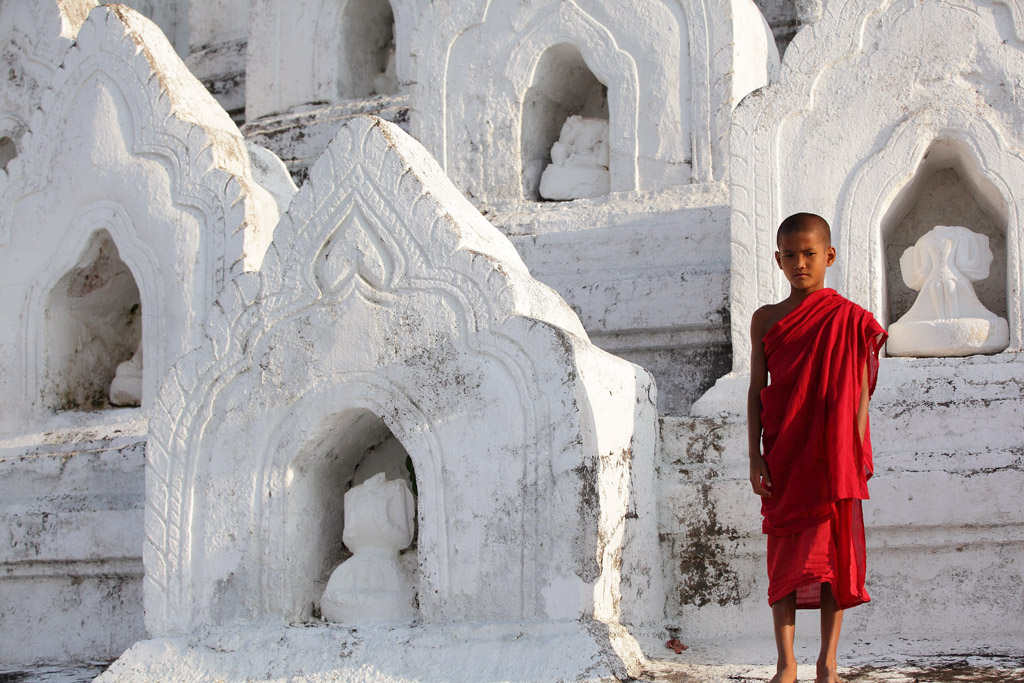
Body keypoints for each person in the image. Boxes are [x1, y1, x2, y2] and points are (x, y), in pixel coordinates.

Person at [747, 213, 887, 683]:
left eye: (810, 254)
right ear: (777, 260)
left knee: (830, 559)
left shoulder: (849, 318)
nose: (800, 263)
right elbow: (755, 389)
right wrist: (754, 455)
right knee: (784, 554)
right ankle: (786, 664)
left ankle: (828, 661)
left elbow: (860, 391)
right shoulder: (765, 319)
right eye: (790, 255)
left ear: (829, 256)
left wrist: (852, 447)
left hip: (829, 455)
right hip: (783, 452)